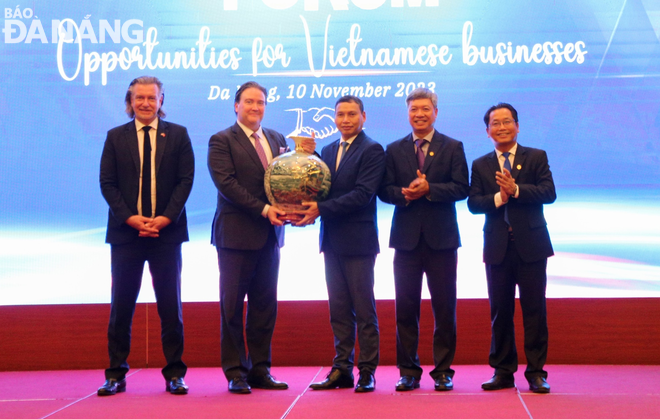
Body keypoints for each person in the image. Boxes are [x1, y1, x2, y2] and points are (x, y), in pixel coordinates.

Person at [208, 81, 313, 394]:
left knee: (265, 306)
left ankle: (260, 369)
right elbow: (227, 185)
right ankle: (235, 372)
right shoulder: (221, 140)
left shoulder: (277, 138)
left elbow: (291, 176)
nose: (255, 108)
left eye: (261, 103)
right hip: (236, 236)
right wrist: (265, 209)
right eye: (249, 102)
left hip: (271, 236)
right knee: (231, 307)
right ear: (236, 105)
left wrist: (308, 157)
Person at [98, 76, 194, 396]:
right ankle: (115, 374)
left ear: (161, 100)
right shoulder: (115, 137)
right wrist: (130, 218)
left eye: (151, 98)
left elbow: (185, 181)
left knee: (170, 306)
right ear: (130, 100)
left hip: (166, 235)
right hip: (127, 235)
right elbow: (107, 184)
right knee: (121, 306)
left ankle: (175, 374)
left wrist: (166, 218)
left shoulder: (178, 135)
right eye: (139, 98)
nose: (145, 103)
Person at [378, 88, 469, 392]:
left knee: (444, 308)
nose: (419, 114)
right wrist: (405, 194)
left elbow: (462, 188)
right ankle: (408, 371)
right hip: (405, 241)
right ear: (408, 113)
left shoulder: (453, 147)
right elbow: (384, 190)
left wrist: (430, 189)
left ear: (435, 112)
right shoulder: (394, 149)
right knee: (405, 307)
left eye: (425, 109)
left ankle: (443, 371)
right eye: (414, 109)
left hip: (442, 240)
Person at [296, 95, 385, 393]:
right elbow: (319, 188)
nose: (345, 120)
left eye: (351, 114)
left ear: (363, 116)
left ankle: (367, 371)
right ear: (334, 118)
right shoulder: (329, 149)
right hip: (331, 240)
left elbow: (362, 195)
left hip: (359, 241)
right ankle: (342, 368)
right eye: (340, 115)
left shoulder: (372, 150)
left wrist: (320, 209)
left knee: (364, 309)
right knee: (339, 309)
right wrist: (304, 158)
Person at [467, 103, 556, 394]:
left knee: (534, 311)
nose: (502, 127)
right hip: (497, 247)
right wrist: (499, 197)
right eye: (495, 123)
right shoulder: (481, 164)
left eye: (507, 122)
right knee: (500, 311)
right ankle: (503, 371)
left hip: (531, 246)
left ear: (517, 126)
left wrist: (516, 190)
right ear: (487, 130)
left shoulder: (536, 157)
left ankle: (536, 373)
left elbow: (549, 193)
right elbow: (473, 204)